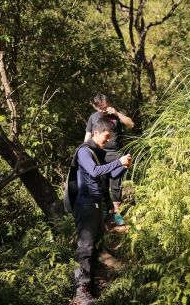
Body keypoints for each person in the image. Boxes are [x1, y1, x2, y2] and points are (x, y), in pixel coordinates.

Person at [74, 117, 132, 304]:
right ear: (96, 132)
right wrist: (118, 162)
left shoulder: (98, 152)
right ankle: (81, 291)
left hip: (98, 204)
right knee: (86, 247)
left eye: (109, 139)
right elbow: (94, 171)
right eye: (106, 137)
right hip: (86, 205)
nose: (107, 141)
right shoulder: (84, 151)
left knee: (96, 244)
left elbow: (110, 173)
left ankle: (93, 284)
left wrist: (123, 167)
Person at [84, 94, 134, 226]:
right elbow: (87, 137)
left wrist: (117, 113)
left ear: (108, 103)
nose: (104, 110)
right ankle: (107, 210)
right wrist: (85, 154)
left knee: (116, 184)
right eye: (101, 109)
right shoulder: (93, 118)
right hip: (99, 154)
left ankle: (117, 213)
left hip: (116, 153)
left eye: (105, 107)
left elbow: (131, 124)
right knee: (102, 183)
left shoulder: (115, 115)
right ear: (95, 107)